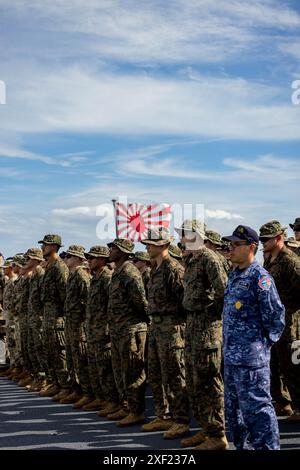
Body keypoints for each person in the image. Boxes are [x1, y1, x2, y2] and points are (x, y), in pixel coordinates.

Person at [222, 225, 285, 450]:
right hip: (231, 359)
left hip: (251, 362)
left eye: (236, 245)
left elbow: (276, 318)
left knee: (258, 413)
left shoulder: (260, 278)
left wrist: (260, 347)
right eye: (230, 244)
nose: (230, 248)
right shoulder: (235, 275)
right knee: (235, 415)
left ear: (251, 247)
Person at [177, 220, 228, 450]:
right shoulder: (191, 260)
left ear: (197, 235)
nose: (182, 239)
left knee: (209, 382)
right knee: (195, 382)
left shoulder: (209, 259)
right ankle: (206, 429)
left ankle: (218, 435)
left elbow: (224, 293)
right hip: (192, 325)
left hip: (207, 328)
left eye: (186, 235)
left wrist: (210, 316)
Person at [141, 227, 189, 439]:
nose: (147, 247)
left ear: (163, 245)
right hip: (156, 327)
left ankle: (181, 420)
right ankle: (163, 414)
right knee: (155, 372)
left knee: (175, 375)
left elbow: (184, 300)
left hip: (172, 329)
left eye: (151, 244)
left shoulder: (173, 268)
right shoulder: (155, 269)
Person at [260, 220, 300, 421]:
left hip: (290, 323)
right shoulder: (270, 260)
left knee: (293, 366)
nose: (263, 242)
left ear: (279, 238)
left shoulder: (289, 260)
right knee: (277, 365)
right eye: (261, 239)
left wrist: (290, 307)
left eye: (267, 239)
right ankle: (284, 403)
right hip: (275, 324)